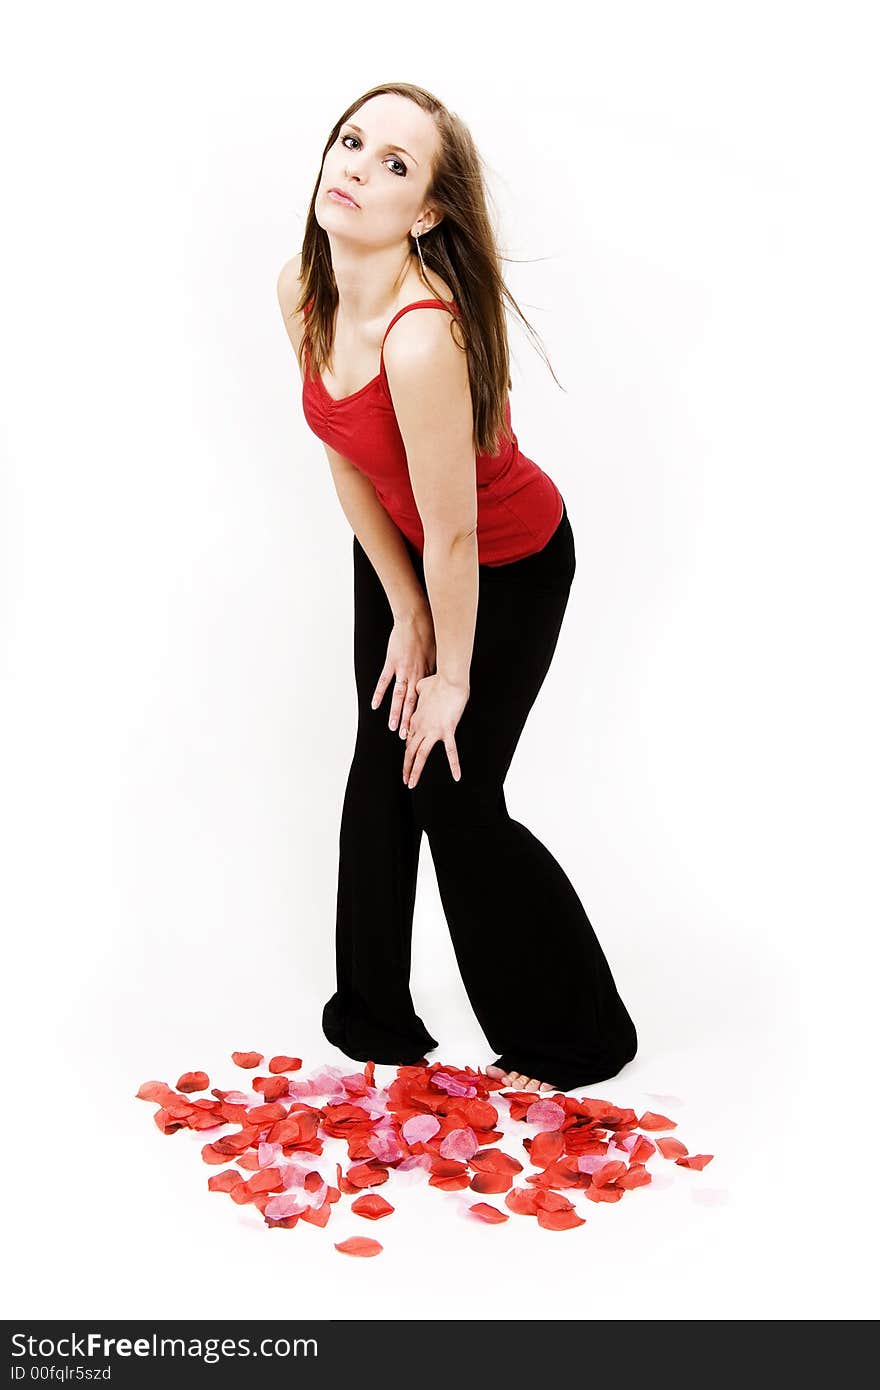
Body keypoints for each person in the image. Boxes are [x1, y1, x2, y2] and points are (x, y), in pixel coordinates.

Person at [276, 82, 638, 1093]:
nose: (355, 166)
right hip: (405, 548)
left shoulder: (422, 336)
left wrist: (452, 670)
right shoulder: (301, 292)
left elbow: (459, 529)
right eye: (351, 141)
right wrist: (400, 609)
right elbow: (345, 457)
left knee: (455, 792)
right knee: (378, 756)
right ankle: (372, 1016)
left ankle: (577, 1038)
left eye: (395, 163)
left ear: (427, 211)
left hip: (504, 561)